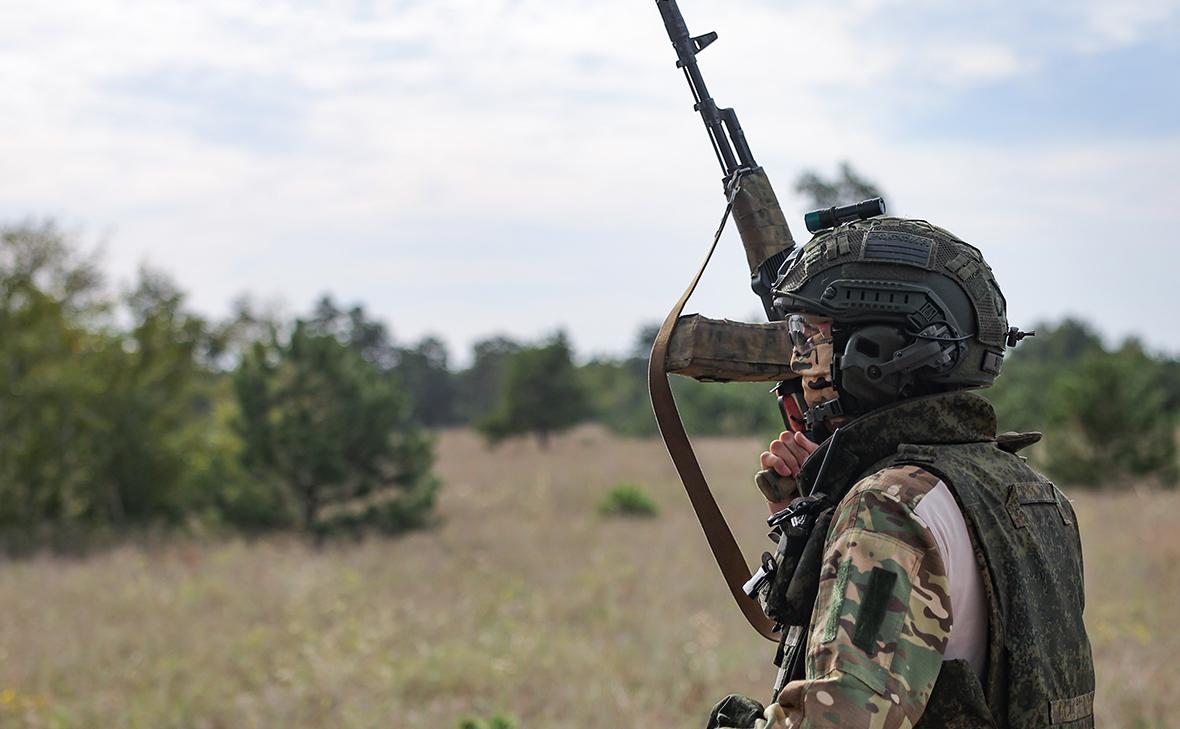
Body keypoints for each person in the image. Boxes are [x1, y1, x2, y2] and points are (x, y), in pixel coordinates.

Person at [708, 217, 1095, 729]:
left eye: (808, 335)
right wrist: (808, 523)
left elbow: (845, 717)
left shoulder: (889, 506)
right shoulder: (1031, 493)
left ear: (876, 351)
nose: (799, 360)